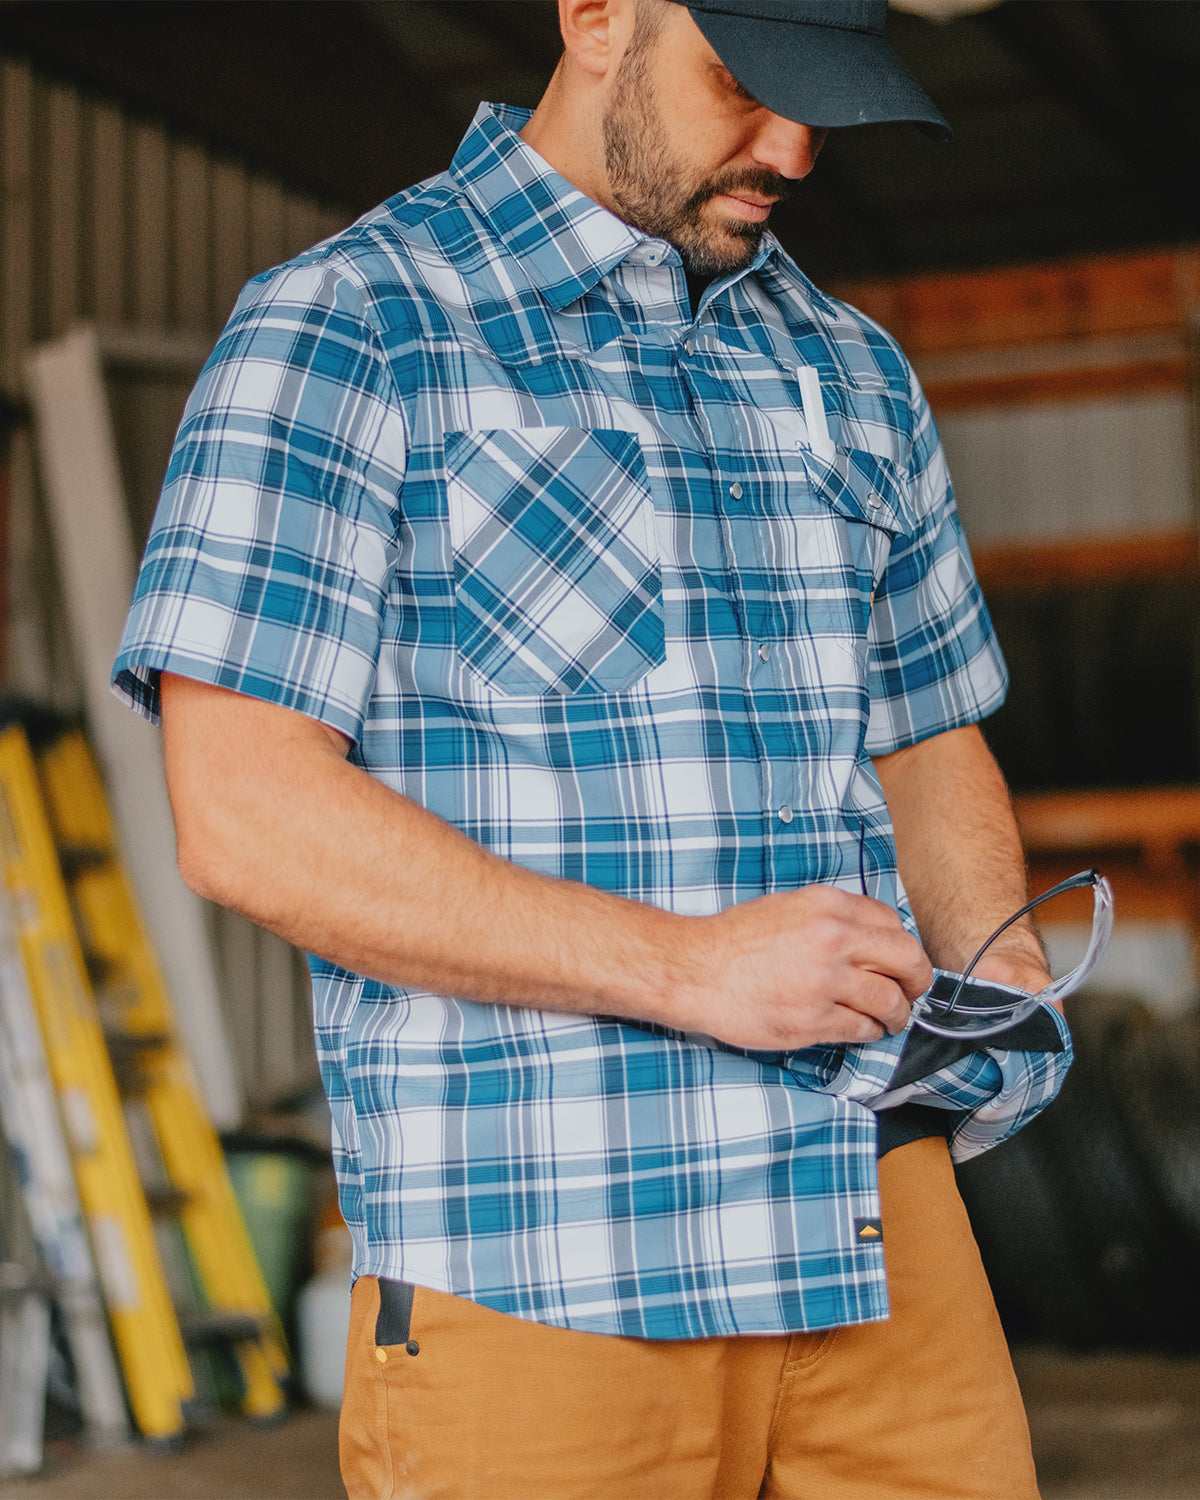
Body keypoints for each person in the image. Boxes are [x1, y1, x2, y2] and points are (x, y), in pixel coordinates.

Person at [113, 2, 1072, 1495]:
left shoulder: (850, 367)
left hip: (875, 1234)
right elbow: (244, 812)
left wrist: (1000, 979)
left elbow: (926, 734)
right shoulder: (353, 326)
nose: (796, 146)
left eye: (831, 99)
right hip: (545, 1257)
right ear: (598, 16)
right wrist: (688, 968)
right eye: (748, 84)